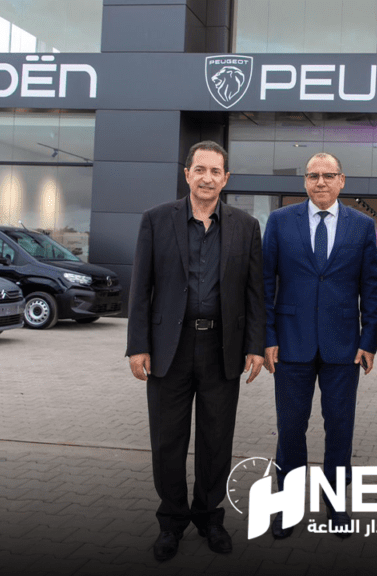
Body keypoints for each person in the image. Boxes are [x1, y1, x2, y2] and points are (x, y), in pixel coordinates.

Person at [125, 140, 265, 563]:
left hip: (222, 348)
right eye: (199, 169)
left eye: (215, 171)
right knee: (168, 440)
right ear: (187, 174)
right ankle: (171, 522)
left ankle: (209, 517)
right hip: (170, 348)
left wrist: (255, 346)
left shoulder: (246, 226)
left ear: (226, 178)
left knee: (216, 440)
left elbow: (254, 292)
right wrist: (138, 346)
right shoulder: (156, 220)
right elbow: (140, 287)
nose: (207, 178)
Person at [262, 152, 377, 539]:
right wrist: (268, 337)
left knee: (340, 430)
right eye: (313, 175)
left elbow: (371, 288)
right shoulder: (280, 221)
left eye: (328, 175)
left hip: (343, 347)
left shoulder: (362, 225)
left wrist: (369, 340)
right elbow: (264, 284)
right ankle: (288, 506)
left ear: (342, 180)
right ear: (305, 181)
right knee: (290, 430)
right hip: (290, 345)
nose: (321, 182)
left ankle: (336, 505)